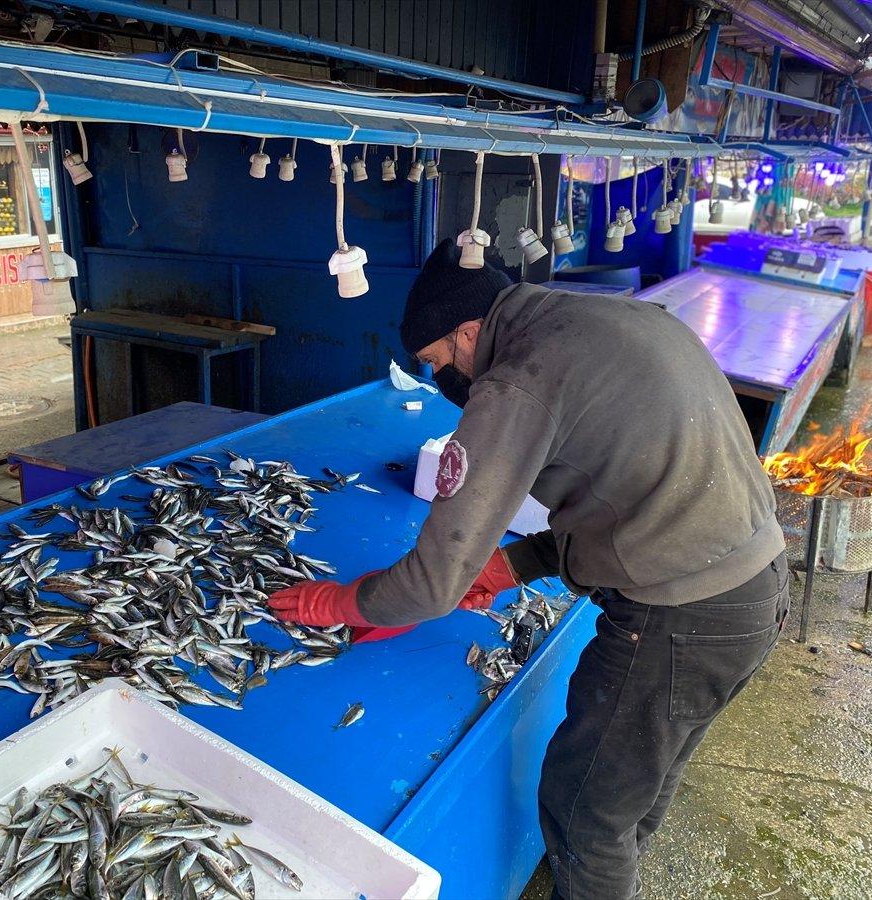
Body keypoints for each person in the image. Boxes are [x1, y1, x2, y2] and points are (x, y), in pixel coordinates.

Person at [268, 239, 790, 900]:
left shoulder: (518, 378)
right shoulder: (618, 320)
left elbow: (432, 584)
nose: (443, 382)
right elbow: (634, 484)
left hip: (680, 620)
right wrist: (516, 562)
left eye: (437, 363)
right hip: (758, 586)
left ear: (466, 332)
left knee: (585, 815)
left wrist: (343, 602)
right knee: (636, 788)